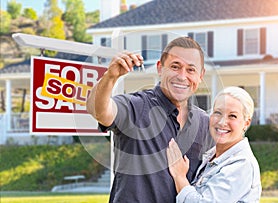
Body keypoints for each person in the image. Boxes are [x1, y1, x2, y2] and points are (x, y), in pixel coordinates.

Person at [86, 37, 215, 203]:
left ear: (201, 75)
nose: (182, 76)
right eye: (175, 67)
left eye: (191, 70)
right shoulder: (136, 106)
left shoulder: (205, 123)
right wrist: (110, 77)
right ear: (160, 68)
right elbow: (98, 111)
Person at [167, 86, 262, 203]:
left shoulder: (242, 165)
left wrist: (180, 177)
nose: (222, 122)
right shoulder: (211, 156)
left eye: (232, 116)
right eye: (217, 113)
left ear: (246, 123)